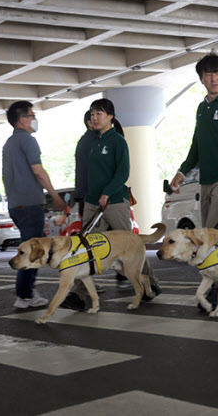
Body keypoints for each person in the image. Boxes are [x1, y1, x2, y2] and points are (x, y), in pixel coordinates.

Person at [61, 98, 161, 311]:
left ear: (110, 117)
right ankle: (78, 294)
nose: (94, 118)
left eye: (99, 114)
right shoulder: (94, 142)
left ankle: (150, 282)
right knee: (83, 247)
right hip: (91, 203)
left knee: (131, 246)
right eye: (92, 114)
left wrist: (107, 193)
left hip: (114, 202)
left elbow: (123, 172)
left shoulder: (117, 141)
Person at [169, 52, 218, 308]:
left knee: (210, 236)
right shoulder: (203, 109)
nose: (214, 78)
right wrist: (183, 171)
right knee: (215, 235)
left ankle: (214, 292)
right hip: (206, 181)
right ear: (201, 79)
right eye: (209, 74)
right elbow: (197, 146)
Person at [2, 100, 66, 308]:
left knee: (28, 248)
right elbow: (38, 171)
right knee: (35, 251)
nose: (34, 119)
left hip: (16, 205)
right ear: (22, 120)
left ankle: (26, 293)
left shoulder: (8, 144)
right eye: (32, 115)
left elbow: (5, 178)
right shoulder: (28, 141)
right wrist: (55, 196)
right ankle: (25, 295)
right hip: (30, 205)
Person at [74, 110, 98, 217]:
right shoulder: (93, 142)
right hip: (92, 198)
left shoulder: (85, 140)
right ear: (89, 123)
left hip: (86, 197)